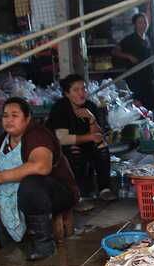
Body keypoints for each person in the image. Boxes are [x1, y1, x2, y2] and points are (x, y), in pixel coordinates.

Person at [0, 97, 78, 261]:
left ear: (27, 118)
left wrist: (1, 176)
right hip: (14, 189)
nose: (9, 120)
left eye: (15, 115)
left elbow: (41, 166)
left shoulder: (37, 134)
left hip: (57, 192)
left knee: (31, 184)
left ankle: (44, 244)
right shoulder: (4, 138)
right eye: (5, 116)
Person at [47, 74, 116, 207]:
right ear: (67, 93)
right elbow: (62, 139)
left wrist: (91, 119)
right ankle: (79, 196)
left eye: (83, 89)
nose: (81, 93)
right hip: (61, 148)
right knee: (74, 151)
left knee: (102, 148)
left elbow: (98, 135)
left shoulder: (90, 106)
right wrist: (90, 138)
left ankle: (104, 189)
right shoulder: (60, 108)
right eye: (76, 90)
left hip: (85, 145)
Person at [113, 12, 154, 111]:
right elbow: (114, 51)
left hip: (150, 78)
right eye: (140, 22)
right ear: (135, 25)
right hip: (137, 80)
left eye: (145, 22)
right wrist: (129, 56)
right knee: (141, 108)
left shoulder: (148, 38)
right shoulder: (130, 39)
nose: (143, 25)